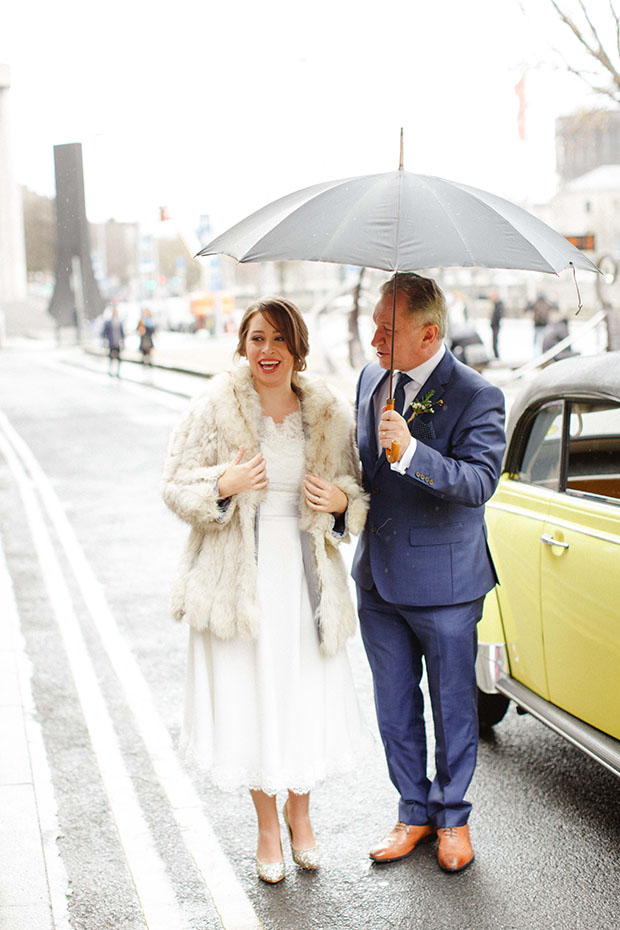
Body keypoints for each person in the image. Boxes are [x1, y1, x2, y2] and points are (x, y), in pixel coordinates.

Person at [162, 297, 369, 884]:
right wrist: (222, 486)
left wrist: (340, 506)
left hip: (305, 582)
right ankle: (265, 826)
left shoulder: (327, 412)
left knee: (298, 693)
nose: (267, 351)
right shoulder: (215, 406)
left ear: (297, 346)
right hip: (239, 582)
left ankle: (301, 818)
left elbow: (352, 489)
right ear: (242, 345)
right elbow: (175, 484)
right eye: (256, 338)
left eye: (279, 339)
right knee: (252, 697)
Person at [352, 272, 506, 873]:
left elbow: (479, 483)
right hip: (377, 579)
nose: (373, 339)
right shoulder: (371, 378)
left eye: (386, 329)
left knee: (451, 707)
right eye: (373, 324)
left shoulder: (477, 395)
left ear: (429, 333)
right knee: (393, 707)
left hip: (445, 586)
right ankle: (412, 810)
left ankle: (453, 819)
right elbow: (362, 468)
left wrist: (414, 453)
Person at [102, 305, 125, 377]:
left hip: (117, 342)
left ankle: (118, 372)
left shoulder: (119, 322)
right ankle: (110, 370)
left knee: (118, 358)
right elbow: (105, 332)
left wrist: (122, 341)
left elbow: (122, 333)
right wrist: (105, 340)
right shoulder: (109, 322)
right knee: (111, 357)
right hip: (111, 342)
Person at [489, 292, 504, 359]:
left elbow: (498, 316)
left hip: (496, 326)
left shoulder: (498, 305)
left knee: (495, 341)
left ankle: (496, 356)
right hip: (495, 325)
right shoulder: (497, 304)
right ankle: (496, 355)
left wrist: (494, 323)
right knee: (494, 341)